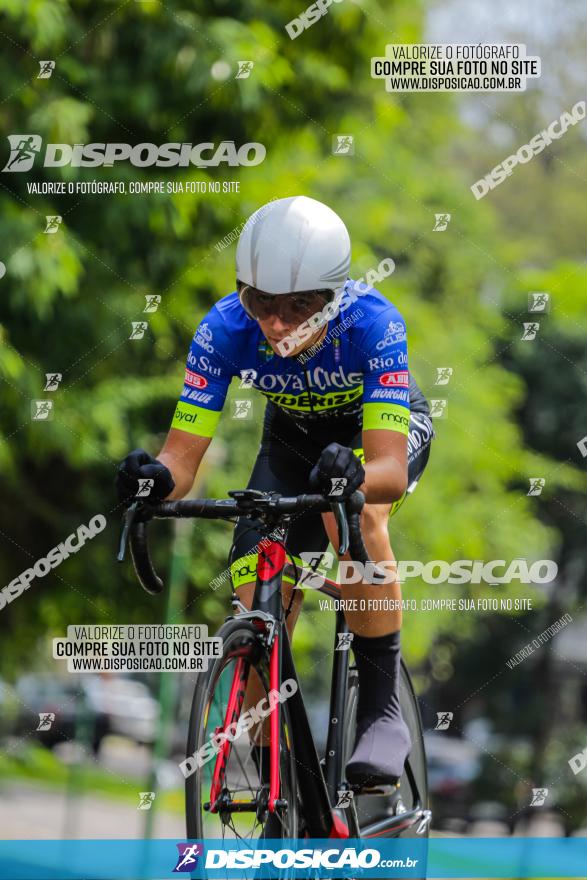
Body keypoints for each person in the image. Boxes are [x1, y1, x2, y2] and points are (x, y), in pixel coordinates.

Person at [116, 195, 434, 792]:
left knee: (356, 522)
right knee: (257, 589)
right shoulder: (223, 328)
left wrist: (358, 478)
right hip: (290, 445)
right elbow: (180, 458)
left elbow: (388, 466)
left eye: (299, 307)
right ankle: (276, 771)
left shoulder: (374, 323)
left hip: (374, 439)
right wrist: (153, 480)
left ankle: (381, 715)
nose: (278, 324)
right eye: (261, 303)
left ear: (332, 297)